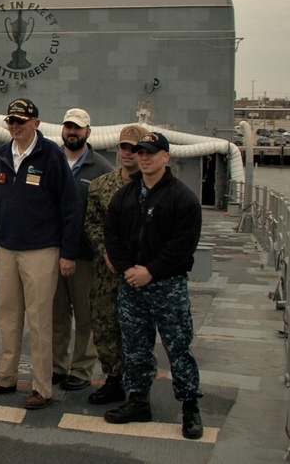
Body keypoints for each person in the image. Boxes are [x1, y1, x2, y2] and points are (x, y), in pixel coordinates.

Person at [0, 98, 79, 410]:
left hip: (41, 250)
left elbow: (69, 207)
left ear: (35, 123)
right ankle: (6, 378)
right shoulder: (2, 154)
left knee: (39, 320)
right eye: (11, 121)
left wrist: (68, 253)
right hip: (7, 249)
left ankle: (42, 387)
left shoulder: (51, 156)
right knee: (8, 316)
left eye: (21, 121)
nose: (15, 126)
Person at [103, 132, 204, 440]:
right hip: (132, 285)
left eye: (150, 152)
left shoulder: (182, 198)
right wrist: (127, 269)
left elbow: (183, 245)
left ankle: (190, 407)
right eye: (139, 152)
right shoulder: (124, 196)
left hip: (167, 286)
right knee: (135, 348)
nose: (143, 157)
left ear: (165, 157)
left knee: (177, 348)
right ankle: (137, 401)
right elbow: (112, 236)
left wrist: (151, 271)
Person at [84, 124, 147, 405]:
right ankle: (113, 379)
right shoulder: (102, 185)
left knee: (138, 329)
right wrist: (105, 252)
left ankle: (139, 386)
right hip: (106, 271)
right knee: (104, 324)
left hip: (141, 273)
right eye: (124, 147)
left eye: (135, 149)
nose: (128, 153)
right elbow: (92, 222)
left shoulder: (153, 187)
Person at [53, 108, 114, 391]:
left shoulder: (101, 168)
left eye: (78, 128)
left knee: (86, 316)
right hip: (51, 253)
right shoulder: (51, 161)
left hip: (85, 256)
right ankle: (57, 366)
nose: (72, 132)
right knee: (57, 315)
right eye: (68, 127)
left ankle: (80, 370)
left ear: (88, 132)